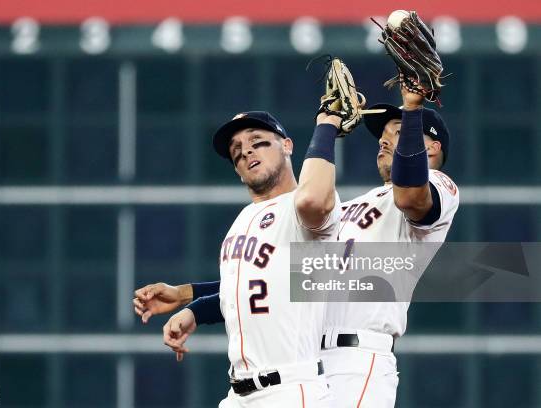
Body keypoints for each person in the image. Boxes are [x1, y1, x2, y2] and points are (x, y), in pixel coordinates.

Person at [135, 86, 459, 407]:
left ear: (430, 147)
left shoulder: (437, 187)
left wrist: (413, 110)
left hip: (357, 359)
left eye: (398, 132)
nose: (385, 140)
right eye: (383, 134)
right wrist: (191, 299)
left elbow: (411, 194)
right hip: (308, 360)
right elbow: (279, 281)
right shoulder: (350, 208)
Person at [139, 108, 351, 407]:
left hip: (290, 390)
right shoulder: (242, 220)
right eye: (236, 150)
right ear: (237, 170)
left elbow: (315, 198)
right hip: (239, 394)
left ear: (287, 145)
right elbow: (250, 287)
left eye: (258, 141)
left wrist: (326, 126)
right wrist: (190, 303)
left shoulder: (300, 210)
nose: (246, 150)